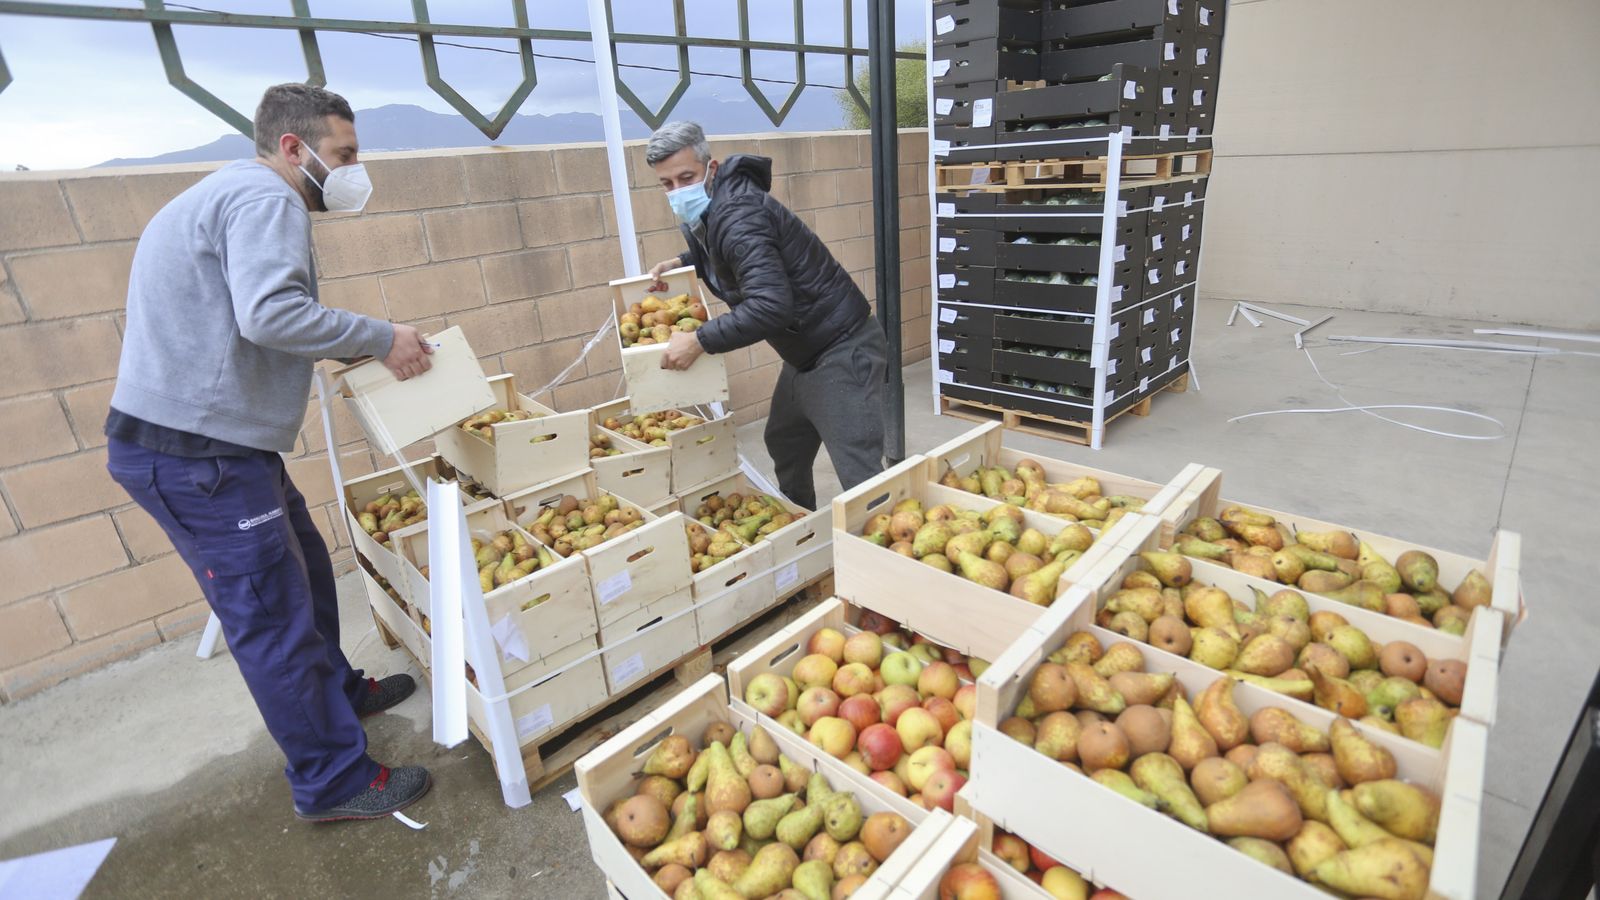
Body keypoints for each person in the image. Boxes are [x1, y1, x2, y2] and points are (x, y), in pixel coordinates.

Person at [104, 83, 434, 822]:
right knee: (272, 618)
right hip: (196, 456)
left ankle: (340, 696)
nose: (353, 169)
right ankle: (333, 780)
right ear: (295, 147)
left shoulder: (232, 193)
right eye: (344, 154)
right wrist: (383, 339)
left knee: (306, 568)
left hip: (221, 448)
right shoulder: (267, 199)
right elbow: (270, 313)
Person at [645, 121, 888, 510]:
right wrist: (682, 262)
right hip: (804, 349)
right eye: (667, 183)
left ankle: (885, 562)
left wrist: (699, 340)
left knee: (861, 478)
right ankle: (800, 529)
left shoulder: (738, 215)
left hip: (841, 347)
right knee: (785, 440)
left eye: (685, 177)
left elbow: (771, 305)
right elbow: (731, 255)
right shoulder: (717, 207)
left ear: (712, 167)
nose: (677, 191)